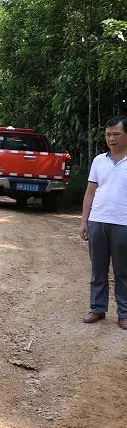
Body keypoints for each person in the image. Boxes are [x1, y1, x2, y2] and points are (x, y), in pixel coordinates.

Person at [80, 116, 127, 330]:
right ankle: (97, 308)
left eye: (116, 134)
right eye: (108, 134)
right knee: (98, 269)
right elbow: (90, 192)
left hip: (123, 223)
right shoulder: (99, 160)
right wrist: (84, 221)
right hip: (98, 221)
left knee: (123, 270)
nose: (111, 138)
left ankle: (124, 314)